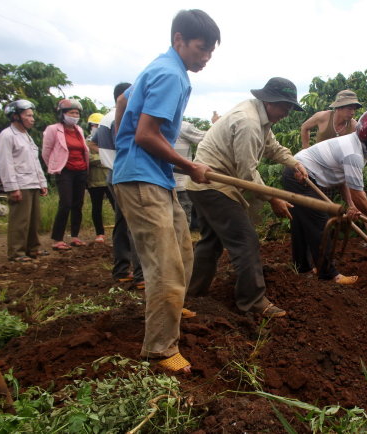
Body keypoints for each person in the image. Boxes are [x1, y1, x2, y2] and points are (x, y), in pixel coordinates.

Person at [112, 9, 221, 373]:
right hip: (142, 179)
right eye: (200, 49)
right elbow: (145, 135)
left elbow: (125, 101)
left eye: (210, 51)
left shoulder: (161, 67)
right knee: (165, 267)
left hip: (155, 176)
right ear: (179, 40)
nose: (205, 57)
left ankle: (172, 311)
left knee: (183, 251)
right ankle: (159, 350)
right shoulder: (170, 74)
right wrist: (190, 166)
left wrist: (120, 138)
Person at [187, 77, 308, 318]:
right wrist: (274, 198)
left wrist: (294, 163)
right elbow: (247, 174)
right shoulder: (249, 122)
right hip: (214, 184)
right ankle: (252, 301)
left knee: (211, 242)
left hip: (208, 184)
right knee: (245, 240)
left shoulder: (261, 118)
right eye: (284, 106)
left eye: (290, 108)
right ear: (269, 101)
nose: (286, 112)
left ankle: (194, 295)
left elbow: (273, 147)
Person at [283, 108, 367, 283]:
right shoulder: (353, 153)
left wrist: (351, 205)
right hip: (301, 176)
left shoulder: (357, 147)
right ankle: (329, 274)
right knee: (320, 226)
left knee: (301, 222)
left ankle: (302, 267)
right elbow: (358, 193)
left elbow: (344, 181)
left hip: (296, 173)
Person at [300, 90, 367, 247]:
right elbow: (305, 127)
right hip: (322, 168)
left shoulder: (354, 126)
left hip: (341, 168)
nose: (352, 112)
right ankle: (319, 244)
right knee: (321, 210)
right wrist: (306, 150)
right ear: (338, 107)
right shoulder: (323, 117)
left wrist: (352, 202)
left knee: (359, 197)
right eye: (348, 108)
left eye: (354, 108)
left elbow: (356, 150)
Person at [90, 82, 144, 287]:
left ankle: (121, 270)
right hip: (125, 175)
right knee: (135, 226)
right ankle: (141, 276)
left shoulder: (106, 118)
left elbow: (92, 142)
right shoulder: (118, 117)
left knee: (122, 224)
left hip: (113, 175)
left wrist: (106, 155)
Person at [0, 100, 48, 262]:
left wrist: (42, 183)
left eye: (32, 115)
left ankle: (33, 249)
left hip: (32, 182)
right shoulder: (7, 135)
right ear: (16, 116)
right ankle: (17, 252)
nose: (32, 119)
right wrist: (12, 188)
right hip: (20, 183)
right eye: (28, 115)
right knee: (20, 220)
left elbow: (35, 161)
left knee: (33, 220)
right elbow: (6, 163)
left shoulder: (27, 136)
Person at [42, 99, 89, 250]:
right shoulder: (53, 129)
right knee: (65, 204)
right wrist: (55, 165)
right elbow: (46, 151)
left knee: (78, 204)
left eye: (77, 113)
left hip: (80, 170)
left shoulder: (79, 130)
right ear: (62, 114)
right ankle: (58, 238)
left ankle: (75, 236)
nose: (75, 115)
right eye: (71, 113)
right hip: (65, 171)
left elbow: (83, 150)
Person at [86, 112, 114, 243]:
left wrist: (103, 158)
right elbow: (89, 159)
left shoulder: (107, 140)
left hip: (108, 178)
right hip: (94, 181)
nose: (96, 127)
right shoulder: (87, 141)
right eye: (94, 125)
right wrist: (105, 158)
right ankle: (99, 233)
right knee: (96, 207)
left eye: (98, 124)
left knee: (116, 206)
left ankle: (120, 233)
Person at [174, 120, 205, 226]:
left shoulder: (151, 124)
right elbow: (208, 139)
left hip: (160, 183)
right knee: (182, 224)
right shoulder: (182, 126)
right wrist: (217, 124)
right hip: (180, 184)